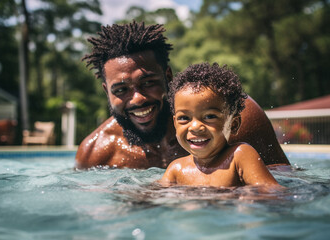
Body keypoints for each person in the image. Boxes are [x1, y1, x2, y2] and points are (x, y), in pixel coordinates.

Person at [75, 21, 290, 169]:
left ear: (168, 76)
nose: (138, 98)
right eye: (121, 90)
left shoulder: (229, 116)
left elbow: (284, 188)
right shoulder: (96, 154)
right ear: (107, 91)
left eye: (148, 82)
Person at [160, 62, 280, 187]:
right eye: (184, 118)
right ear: (175, 124)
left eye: (210, 116)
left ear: (233, 125)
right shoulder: (176, 169)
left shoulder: (239, 157)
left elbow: (270, 193)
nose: (195, 126)